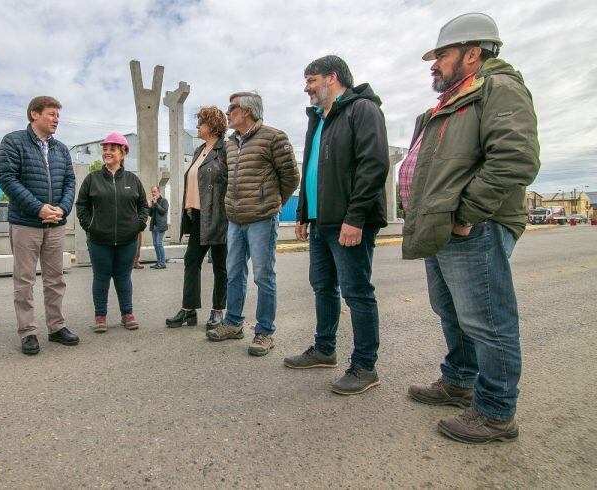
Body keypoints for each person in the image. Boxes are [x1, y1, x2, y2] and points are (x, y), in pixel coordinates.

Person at [401, 13, 540, 443]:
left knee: (487, 320)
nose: (434, 63)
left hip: (472, 227)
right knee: (452, 312)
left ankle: (497, 411)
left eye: (442, 54)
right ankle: (460, 381)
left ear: (473, 53)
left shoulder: (499, 89)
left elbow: (515, 158)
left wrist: (466, 213)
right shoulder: (453, 99)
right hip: (442, 227)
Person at [284, 55, 390, 395]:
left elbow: (373, 165)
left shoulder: (362, 109)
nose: (307, 87)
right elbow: (311, 170)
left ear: (332, 77)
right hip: (322, 220)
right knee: (322, 286)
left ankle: (364, 367)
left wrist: (355, 217)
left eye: (311, 80)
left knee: (357, 292)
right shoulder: (318, 119)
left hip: (349, 221)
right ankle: (324, 349)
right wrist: (303, 212)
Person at [206, 92, 299, 356]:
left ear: (246, 111)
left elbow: (291, 178)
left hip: (262, 219)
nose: (227, 112)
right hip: (235, 219)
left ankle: (265, 331)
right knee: (234, 273)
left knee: (264, 276)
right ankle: (233, 323)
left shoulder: (273, 137)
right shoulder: (230, 143)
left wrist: (270, 203)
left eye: (231, 108)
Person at [0, 96, 78, 356]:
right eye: (51, 114)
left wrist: (63, 209)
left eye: (58, 115)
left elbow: (69, 182)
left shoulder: (61, 149)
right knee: (24, 281)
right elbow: (8, 179)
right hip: (26, 224)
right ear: (34, 114)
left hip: (55, 225)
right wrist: (38, 208)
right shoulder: (13, 141)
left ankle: (56, 327)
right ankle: (28, 332)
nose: (56, 119)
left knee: (55, 280)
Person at [76, 133, 149, 332]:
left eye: (112, 149)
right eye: (105, 149)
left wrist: (138, 225)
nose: (107, 152)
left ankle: (128, 314)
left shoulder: (133, 180)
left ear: (123, 153)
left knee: (123, 277)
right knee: (101, 277)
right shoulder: (93, 179)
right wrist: (89, 225)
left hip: (128, 240)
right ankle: (100, 317)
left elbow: (144, 206)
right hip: (99, 240)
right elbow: (81, 205)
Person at [166, 107, 228, 329]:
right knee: (192, 261)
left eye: (201, 122)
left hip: (219, 217)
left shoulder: (225, 149)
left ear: (213, 124)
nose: (197, 126)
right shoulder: (199, 150)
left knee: (221, 265)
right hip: (197, 215)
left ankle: (218, 310)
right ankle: (189, 310)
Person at [148, 185, 169, 269]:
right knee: (155, 244)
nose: (153, 193)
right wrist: (149, 206)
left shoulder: (164, 201)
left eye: (154, 191)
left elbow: (163, 211)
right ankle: (158, 262)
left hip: (161, 226)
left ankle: (162, 263)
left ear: (159, 191)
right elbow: (150, 214)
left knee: (159, 244)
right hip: (154, 226)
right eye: (152, 192)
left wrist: (156, 204)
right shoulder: (153, 202)